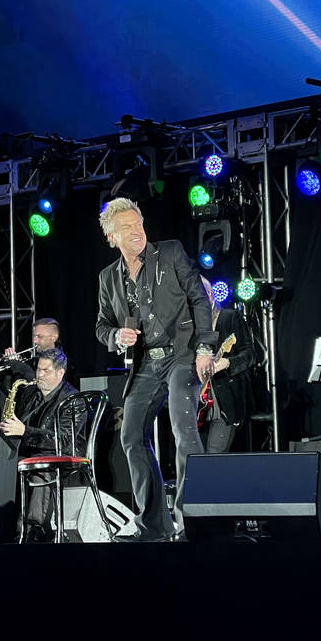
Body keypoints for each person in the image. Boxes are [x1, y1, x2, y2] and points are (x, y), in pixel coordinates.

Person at [95, 197, 217, 542]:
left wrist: (205, 347)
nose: (136, 231)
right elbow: (101, 325)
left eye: (139, 224)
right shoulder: (108, 278)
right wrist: (117, 335)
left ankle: (192, 523)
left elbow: (199, 298)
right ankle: (154, 527)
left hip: (182, 354)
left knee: (183, 428)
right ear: (111, 237)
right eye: (127, 227)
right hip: (146, 362)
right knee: (130, 436)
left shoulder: (171, 252)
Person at [0, 347, 84, 542]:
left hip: (64, 456)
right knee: (2, 463)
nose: (40, 374)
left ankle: (33, 531)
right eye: (38, 369)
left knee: (39, 466)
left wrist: (24, 432)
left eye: (46, 371)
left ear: (60, 373)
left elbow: (64, 441)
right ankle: (5, 527)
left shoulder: (73, 400)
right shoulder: (33, 394)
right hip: (32, 452)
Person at [197, 278, 261, 454]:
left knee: (213, 458)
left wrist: (228, 363)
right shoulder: (188, 325)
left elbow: (251, 355)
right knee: (194, 460)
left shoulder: (229, 317)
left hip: (223, 403)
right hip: (196, 403)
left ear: (209, 295)